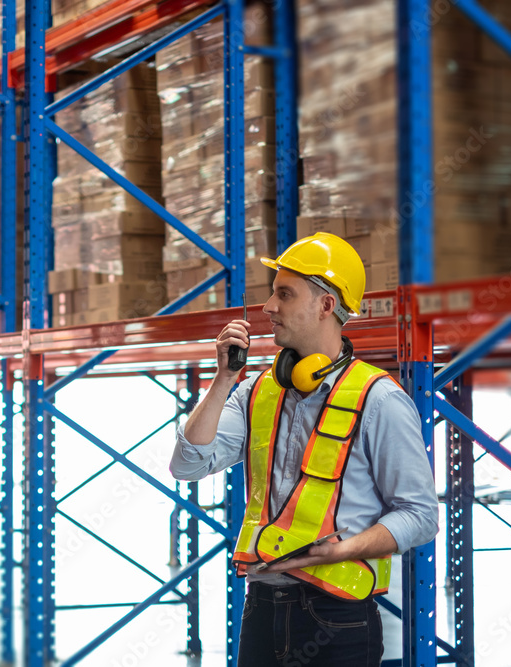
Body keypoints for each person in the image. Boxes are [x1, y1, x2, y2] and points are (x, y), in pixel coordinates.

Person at [170, 233, 438, 666]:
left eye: (284, 294)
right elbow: (186, 465)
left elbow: (421, 516)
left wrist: (344, 549)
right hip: (260, 607)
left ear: (326, 305)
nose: (268, 307)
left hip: (338, 617)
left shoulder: (379, 400)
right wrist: (223, 379)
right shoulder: (255, 391)